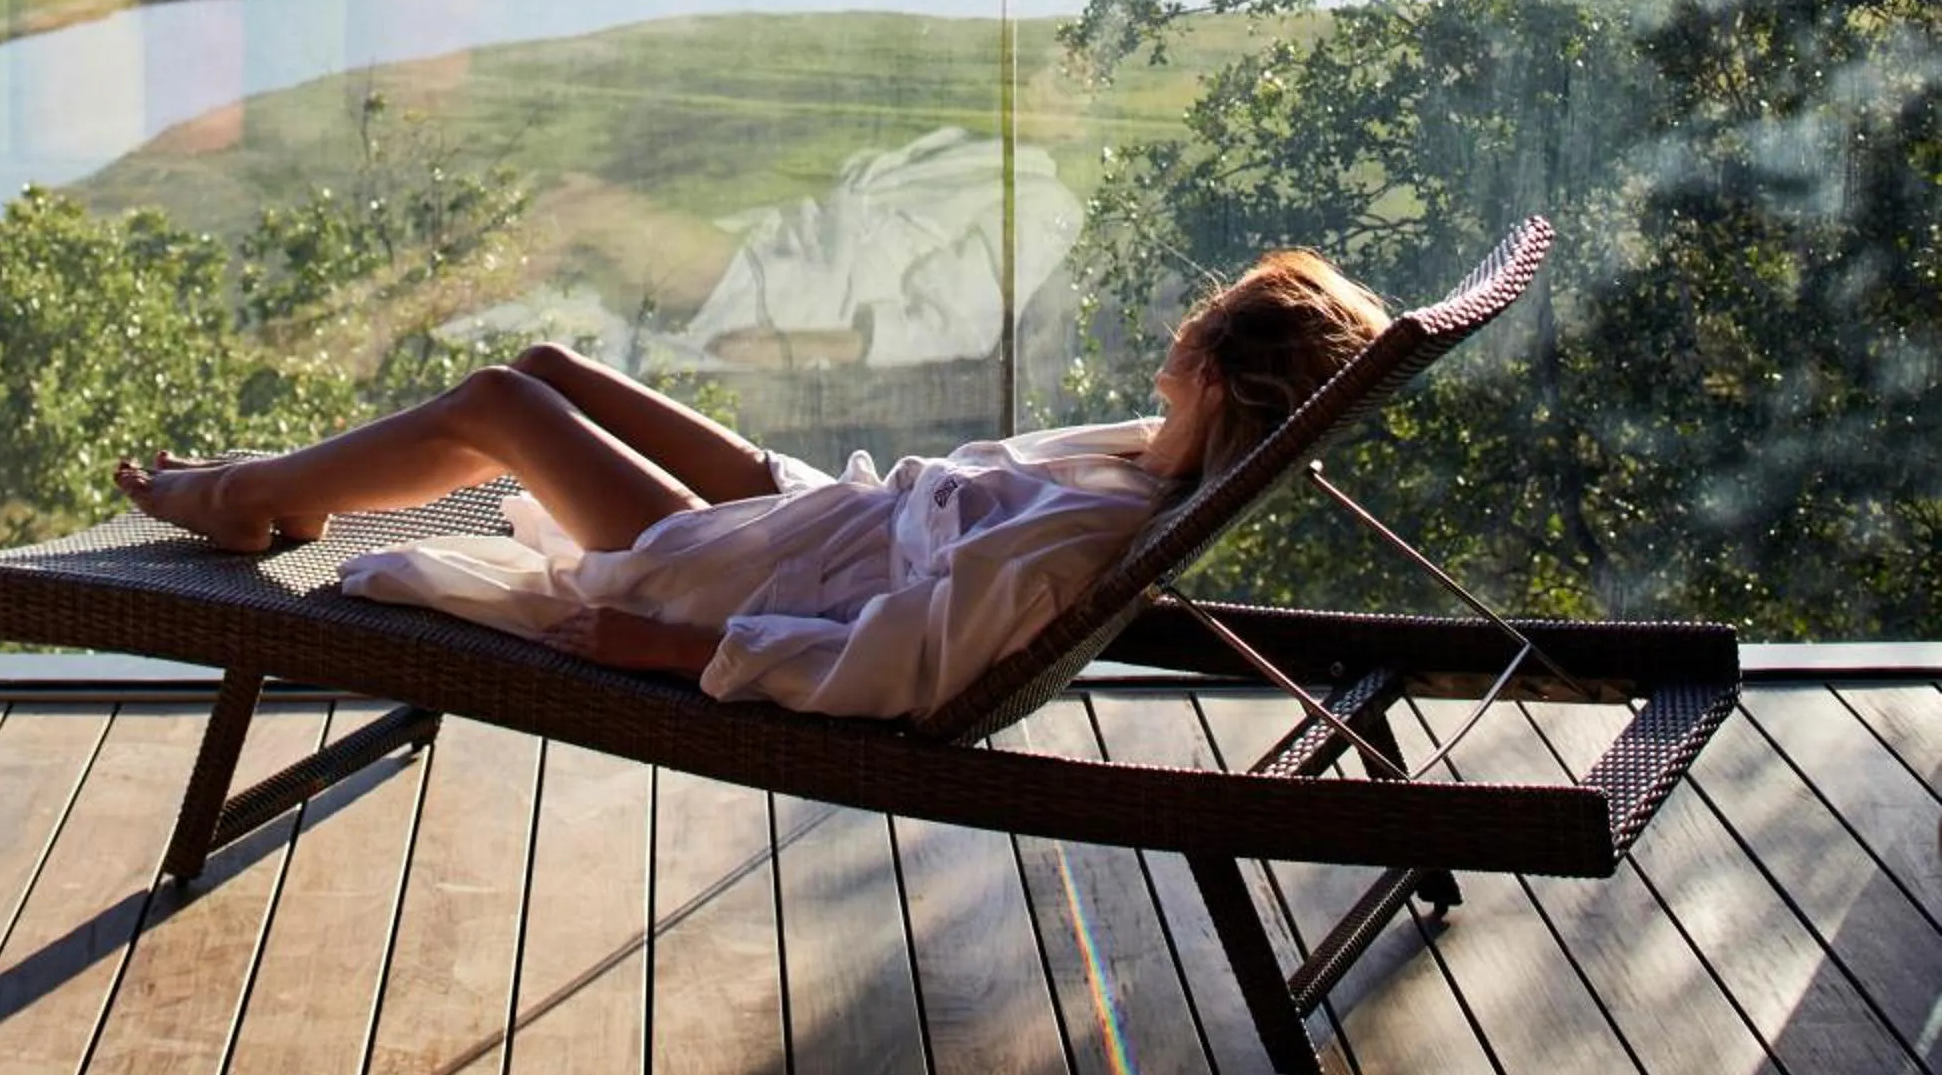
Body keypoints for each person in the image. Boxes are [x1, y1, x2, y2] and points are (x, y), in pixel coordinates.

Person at [116, 250, 1391, 726]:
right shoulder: (1140, 464)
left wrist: (670, 649)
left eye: (1203, 324)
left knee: (502, 407)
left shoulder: (1092, 527)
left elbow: (907, 664)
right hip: (811, 521)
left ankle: (239, 496)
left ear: (1218, 375)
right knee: (549, 365)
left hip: (742, 580)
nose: (1178, 331)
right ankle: (265, 487)